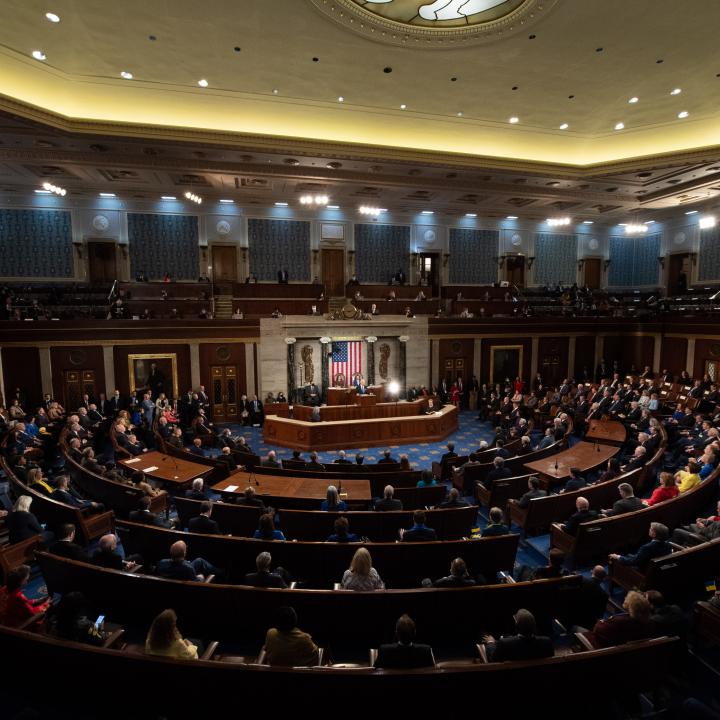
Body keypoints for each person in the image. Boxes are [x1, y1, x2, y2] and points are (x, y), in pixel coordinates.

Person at [586, 590, 655, 648]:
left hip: (604, 650)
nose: (625, 598)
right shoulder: (649, 622)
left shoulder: (618, 621)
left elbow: (597, 630)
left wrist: (600, 622)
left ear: (631, 606)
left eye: (627, 598)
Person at [482, 609, 554, 662]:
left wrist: (490, 642)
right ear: (534, 626)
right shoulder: (546, 642)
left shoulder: (504, 644)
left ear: (516, 627)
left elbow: (492, 660)